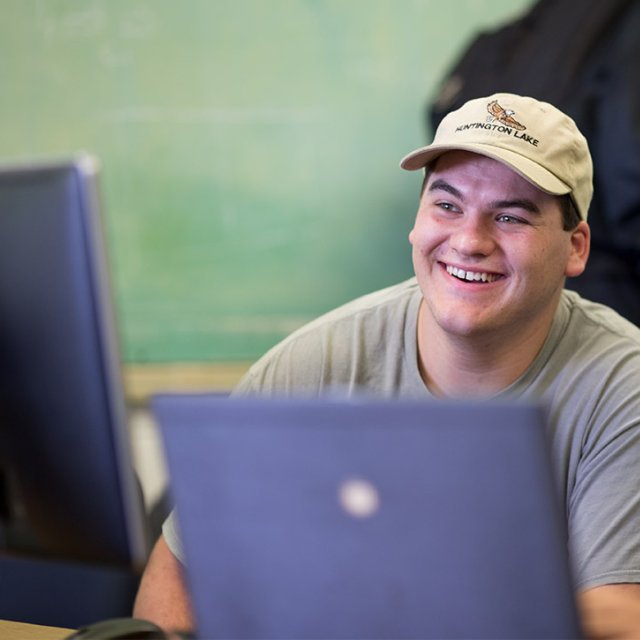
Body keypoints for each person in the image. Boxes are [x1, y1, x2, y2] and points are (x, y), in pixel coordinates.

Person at [134, 93, 640, 638]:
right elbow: (180, 581)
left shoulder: (622, 387)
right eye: (447, 206)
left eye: (510, 217)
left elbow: (621, 617)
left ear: (576, 248)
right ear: (417, 221)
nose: (469, 241)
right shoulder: (312, 366)